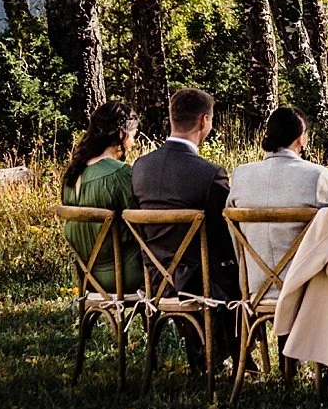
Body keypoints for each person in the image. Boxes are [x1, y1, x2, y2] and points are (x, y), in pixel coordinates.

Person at [132, 88, 239, 365]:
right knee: (239, 274)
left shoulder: (141, 167)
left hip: (154, 280)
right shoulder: (209, 174)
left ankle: (211, 352)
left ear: (172, 117)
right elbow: (223, 237)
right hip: (198, 283)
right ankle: (234, 354)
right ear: (204, 121)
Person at [227, 107, 328, 298]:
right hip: (305, 290)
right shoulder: (318, 176)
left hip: (254, 287)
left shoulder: (241, 175)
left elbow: (234, 237)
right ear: (301, 138)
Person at [61, 101, 143, 294]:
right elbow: (141, 223)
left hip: (88, 276)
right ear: (121, 134)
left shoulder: (72, 175)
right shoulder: (119, 174)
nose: (133, 142)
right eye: (133, 135)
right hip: (124, 275)